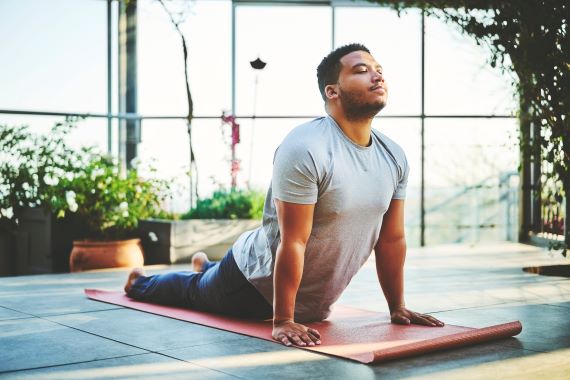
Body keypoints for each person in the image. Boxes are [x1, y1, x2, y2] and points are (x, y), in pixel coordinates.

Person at [124, 43, 444, 348]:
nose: (377, 76)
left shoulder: (394, 155)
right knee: (194, 292)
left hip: (312, 301)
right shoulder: (305, 146)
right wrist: (283, 320)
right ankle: (141, 282)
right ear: (332, 91)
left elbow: (391, 240)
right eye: (361, 70)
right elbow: (293, 240)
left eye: (379, 69)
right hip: (252, 284)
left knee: (207, 279)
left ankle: (205, 266)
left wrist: (397, 307)